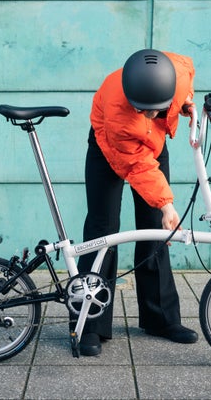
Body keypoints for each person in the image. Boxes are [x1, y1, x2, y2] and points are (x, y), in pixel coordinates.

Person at [75, 49, 198, 357]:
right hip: (111, 149)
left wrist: (184, 105)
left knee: (155, 230)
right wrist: (168, 206)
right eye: (142, 110)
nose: (149, 115)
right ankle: (89, 325)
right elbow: (138, 165)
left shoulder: (178, 73)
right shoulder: (119, 110)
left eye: (154, 109)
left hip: (153, 145)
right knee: (103, 229)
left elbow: (186, 83)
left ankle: (160, 319)